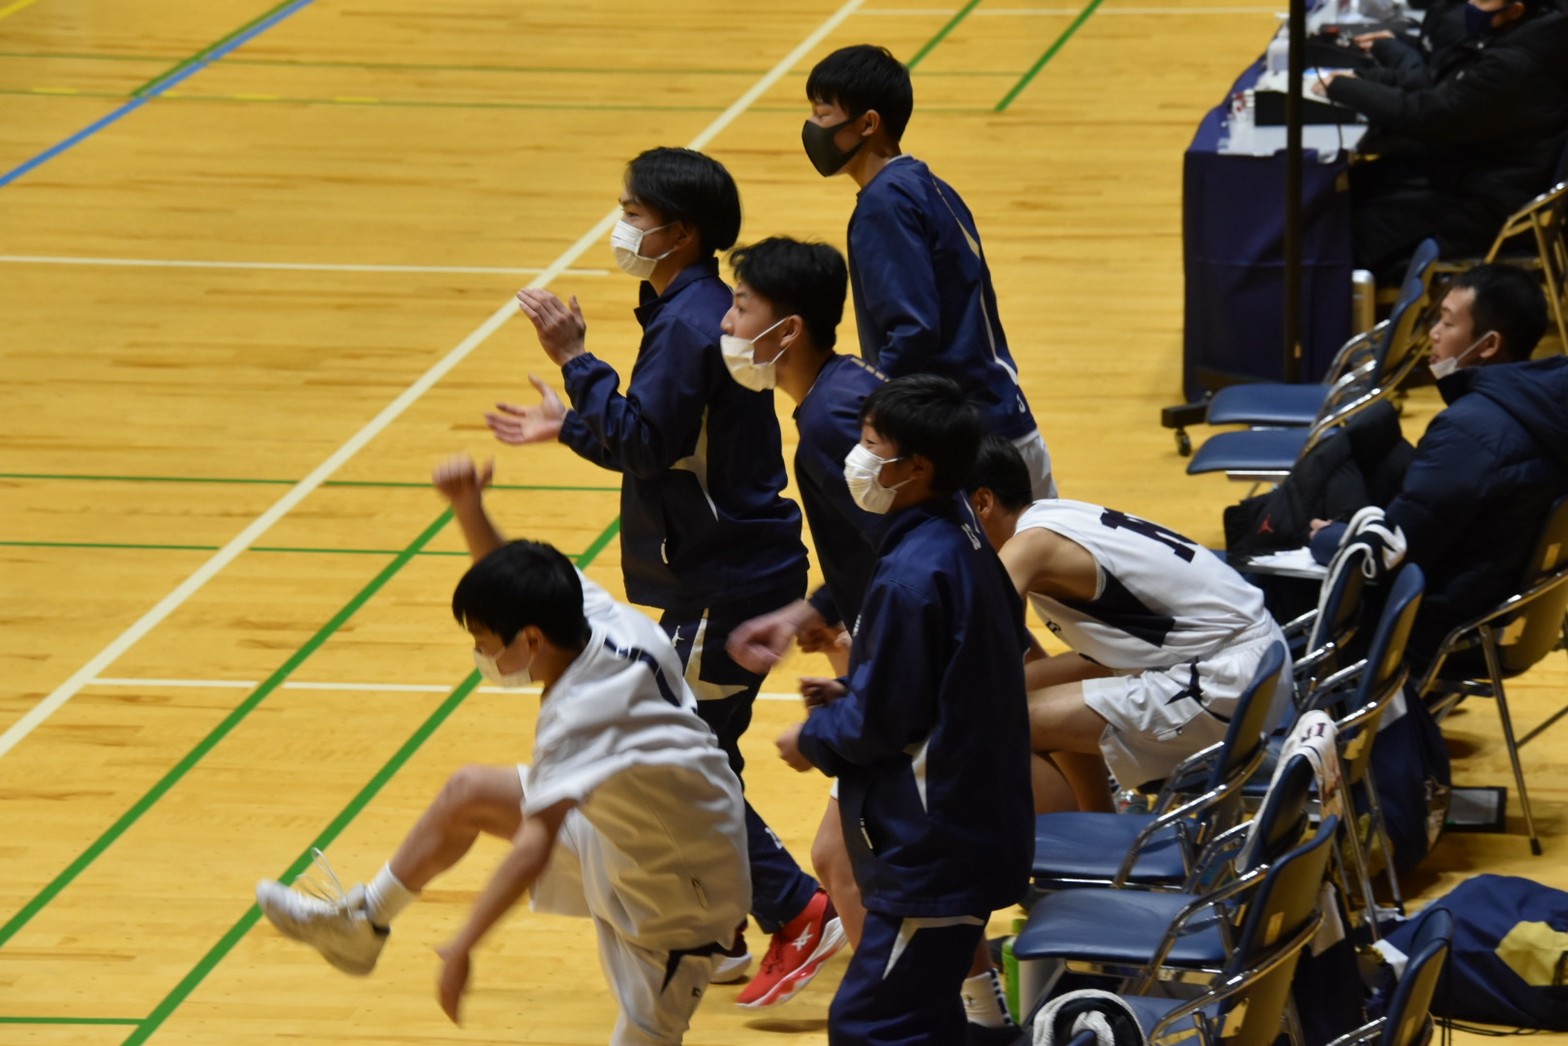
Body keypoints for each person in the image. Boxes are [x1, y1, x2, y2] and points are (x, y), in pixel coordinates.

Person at [484, 147, 842, 1006]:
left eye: (632, 213)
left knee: (681, 762)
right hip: (733, 568)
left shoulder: (688, 323)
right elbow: (661, 439)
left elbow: (645, 442)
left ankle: (797, 910)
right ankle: (719, 923)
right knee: (697, 753)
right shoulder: (693, 310)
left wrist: (577, 360)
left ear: (679, 232)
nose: (620, 226)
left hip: (724, 582)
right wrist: (574, 424)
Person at [254, 457, 750, 1045]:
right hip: (637, 830)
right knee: (469, 793)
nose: (482, 655)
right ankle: (363, 927)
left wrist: (464, 945)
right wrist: (469, 508)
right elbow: (511, 580)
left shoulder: (581, 717)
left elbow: (533, 847)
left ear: (531, 640)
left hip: (680, 894)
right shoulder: (595, 619)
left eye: (485, 643)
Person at [776, 375, 1035, 1046]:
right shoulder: (961, 535)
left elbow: (880, 727)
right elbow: (942, 685)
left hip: (936, 846)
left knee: (871, 1026)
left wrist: (815, 735)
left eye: (870, 445)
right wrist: (862, 691)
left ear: (916, 467)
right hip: (965, 829)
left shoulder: (914, 574)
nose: (856, 459)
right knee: (928, 1021)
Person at [965, 436, 1293, 812]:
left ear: (983, 503)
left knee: (1004, 724)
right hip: (1248, 655)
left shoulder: (1029, 549)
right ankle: (1098, 817)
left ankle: (1072, 844)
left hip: (1226, 679)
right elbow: (1010, 657)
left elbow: (979, 641)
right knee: (1031, 687)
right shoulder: (1051, 515)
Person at [802, 43, 1059, 500]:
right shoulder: (926, 185)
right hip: (1001, 421)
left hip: (973, 447)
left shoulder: (884, 205)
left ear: (868, 123)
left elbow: (912, 331)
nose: (812, 127)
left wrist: (869, 415)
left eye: (822, 114)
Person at [1311, 263, 1568, 672]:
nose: (1433, 333)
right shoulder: (1545, 406)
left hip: (1435, 629)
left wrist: (1328, 539)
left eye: (1447, 323)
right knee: (1371, 437)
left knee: (1277, 584)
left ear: (1488, 344)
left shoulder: (1471, 430)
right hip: (1492, 608)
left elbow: (1390, 555)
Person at [1314, 0, 1568, 278]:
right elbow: (1444, 84)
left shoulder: (1515, 63)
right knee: (1350, 184)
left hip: (1484, 204)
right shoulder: (1528, 35)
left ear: (1516, 9)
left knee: (1339, 229)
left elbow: (1429, 115)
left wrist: (1341, 87)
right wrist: (1372, 72)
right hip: (1477, 172)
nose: (1470, 4)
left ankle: (1334, 298)